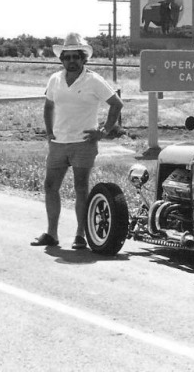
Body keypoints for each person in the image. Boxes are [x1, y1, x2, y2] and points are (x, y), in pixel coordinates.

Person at [31, 32, 123, 249]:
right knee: (50, 186)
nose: (71, 61)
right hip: (58, 143)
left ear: (84, 58)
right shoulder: (55, 79)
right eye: (67, 57)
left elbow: (116, 104)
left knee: (81, 188)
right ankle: (51, 234)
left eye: (76, 57)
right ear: (61, 59)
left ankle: (80, 235)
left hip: (83, 143)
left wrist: (103, 131)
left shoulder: (93, 80)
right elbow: (48, 105)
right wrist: (48, 131)